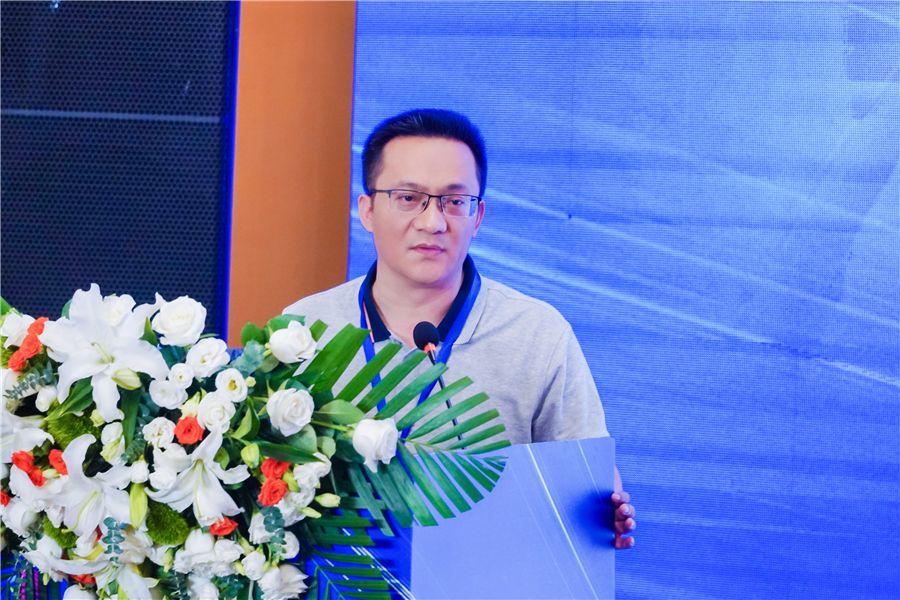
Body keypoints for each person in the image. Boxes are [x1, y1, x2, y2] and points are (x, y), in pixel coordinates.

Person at [284, 108, 636, 549]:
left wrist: (604, 510)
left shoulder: (537, 334)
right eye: (408, 197)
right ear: (368, 210)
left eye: (454, 202)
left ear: (478, 216)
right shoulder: (303, 331)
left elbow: (586, 474)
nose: (432, 222)